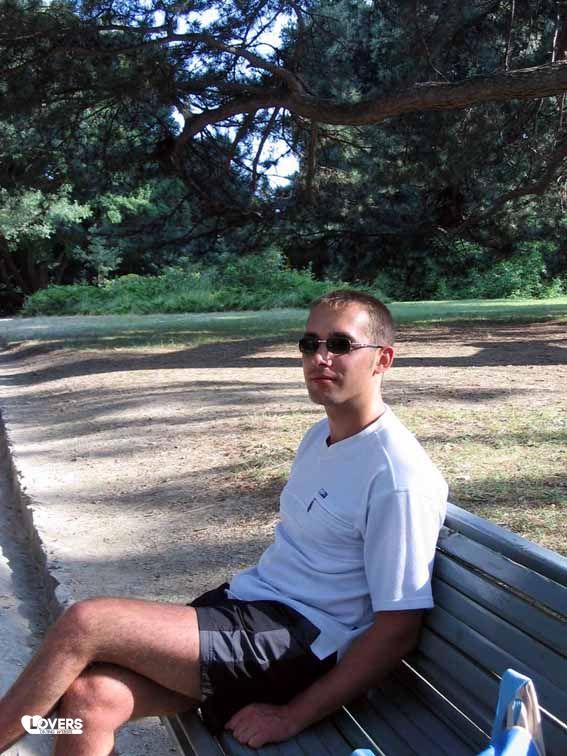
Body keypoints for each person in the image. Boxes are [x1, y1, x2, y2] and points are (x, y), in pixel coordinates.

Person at [0, 290, 448, 755]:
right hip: (250, 613)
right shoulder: (321, 437)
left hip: (299, 644)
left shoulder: (397, 476)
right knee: (90, 698)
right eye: (309, 344)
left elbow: (398, 628)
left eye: (339, 345)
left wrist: (293, 715)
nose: (320, 357)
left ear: (382, 360)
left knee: (87, 622)